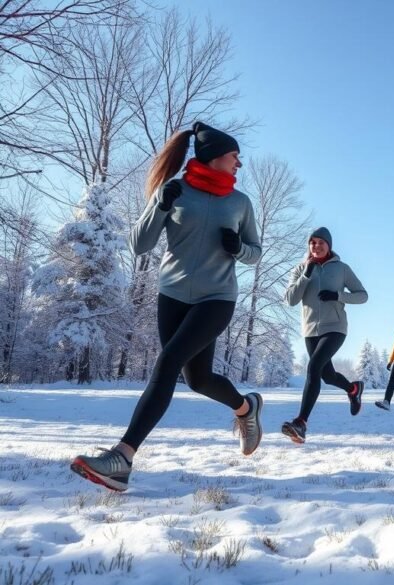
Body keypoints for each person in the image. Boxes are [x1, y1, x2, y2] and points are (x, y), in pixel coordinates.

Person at [71, 122, 263, 492]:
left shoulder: (240, 203)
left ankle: (122, 457)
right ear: (215, 156)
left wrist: (238, 248)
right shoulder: (173, 190)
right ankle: (246, 408)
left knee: (167, 362)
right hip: (172, 296)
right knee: (198, 379)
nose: (239, 164)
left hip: (217, 298)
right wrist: (160, 205)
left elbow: (255, 252)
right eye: (235, 156)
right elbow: (139, 245)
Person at [281, 227, 368, 444]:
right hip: (310, 330)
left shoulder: (341, 268)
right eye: (313, 243)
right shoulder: (301, 268)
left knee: (313, 367)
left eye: (321, 242)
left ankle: (301, 422)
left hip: (335, 327)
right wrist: (305, 275)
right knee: (326, 375)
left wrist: (338, 296)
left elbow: (362, 296)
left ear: (329, 245)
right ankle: (353, 388)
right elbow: (290, 299)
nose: (316, 246)